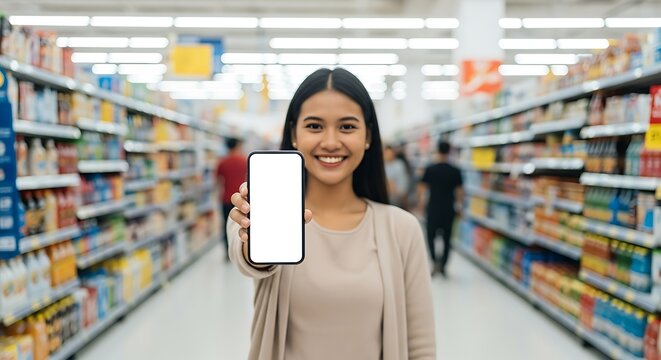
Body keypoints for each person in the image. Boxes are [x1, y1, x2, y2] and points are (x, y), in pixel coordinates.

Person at [227, 68, 435, 360]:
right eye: (314, 126)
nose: (330, 142)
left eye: (347, 127)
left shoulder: (401, 229)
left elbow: (421, 346)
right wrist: (254, 245)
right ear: (293, 135)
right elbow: (249, 260)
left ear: (368, 136)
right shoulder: (257, 215)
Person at [417, 140, 464, 278]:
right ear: (449, 151)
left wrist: (421, 205)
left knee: (430, 236)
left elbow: (422, 188)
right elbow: (460, 191)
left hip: (433, 207)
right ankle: (443, 265)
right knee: (447, 238)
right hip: (449, 208)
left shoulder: (430, 168)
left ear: (437, 151)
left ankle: (434, 262)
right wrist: (460, 207)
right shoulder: (455, 170)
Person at [215, 137, 247, 261]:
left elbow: (217, 181)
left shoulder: (222, 162)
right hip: (242, 200)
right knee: (242, 224)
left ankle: (227, 252)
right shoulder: (244, 160)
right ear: (237, 145)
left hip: (226, 199)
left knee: (225, 225)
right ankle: (240, 250)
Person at [384, 144, 411, 209]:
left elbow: (403, 184)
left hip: (398, 200)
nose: (387, 155)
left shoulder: (399, 165)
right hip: (386, 201)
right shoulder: (381, 166)